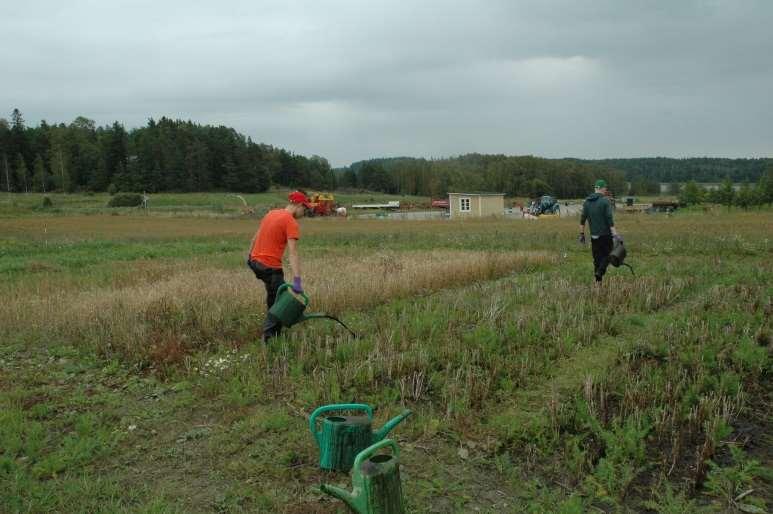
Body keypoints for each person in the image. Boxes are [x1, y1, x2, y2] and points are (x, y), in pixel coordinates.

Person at [247, 191, 310, 341]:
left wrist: (249, 257)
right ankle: (269, 339)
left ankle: (273, 329)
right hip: (270, 267)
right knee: (281, 302)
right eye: (305, 209)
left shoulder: (271, 213)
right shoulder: (291, 222)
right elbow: (293, 253)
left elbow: (254, 238)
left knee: (273, 295)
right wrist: (297, 281)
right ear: (298, 205)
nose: (305, 212)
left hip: (255, 262)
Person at [579, 179, 622, 283]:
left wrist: (581, 234)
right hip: (605, 235)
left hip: (594, 236)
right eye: (605, 188)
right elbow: (609, 220)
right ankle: (601, 271)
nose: (605, 190)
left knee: (597, 260)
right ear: (602, 189)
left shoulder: (587, 202)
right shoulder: (605, 201)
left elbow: (582, 220)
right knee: (608, 255)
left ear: (595, 189)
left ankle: (598, 282)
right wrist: (615, 235)